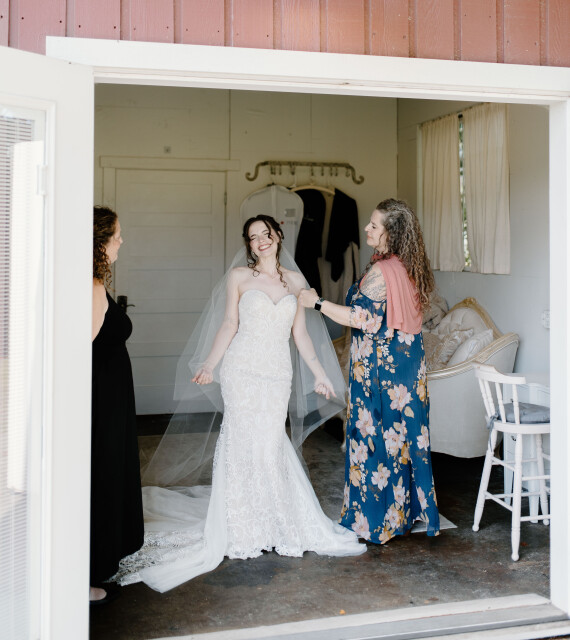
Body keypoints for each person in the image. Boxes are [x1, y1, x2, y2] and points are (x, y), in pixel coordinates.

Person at [112, 215, 365, 593]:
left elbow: (300, 335)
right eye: (253, 237)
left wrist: (319, 373)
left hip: (276, 374)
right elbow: (229, 324)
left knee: (269, 443)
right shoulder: (238, 277)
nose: (261, 241)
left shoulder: (297, 282)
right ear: (248, 244)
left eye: (266, 234)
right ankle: (242, 524)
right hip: (241, 371)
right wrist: (210, 364)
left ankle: (273, 519)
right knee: (242, 442)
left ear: (278, 235)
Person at [298, 199, 440, 543]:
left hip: (381, 371)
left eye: (374, 225)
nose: (367, 229)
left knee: (375, 439)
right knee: (399, 440)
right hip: (406, 368)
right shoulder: (407, 265)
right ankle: (399, 516)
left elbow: (361, 318)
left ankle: (376, 522)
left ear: (391, 233)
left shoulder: (382, 272)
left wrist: (316, 302)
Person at [90, 206, 144, 604]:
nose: (121, 240)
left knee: (108, 473)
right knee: (102, 475)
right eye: (117, 235)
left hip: (109, 397)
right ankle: (85, 575)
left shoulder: (92, 281)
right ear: (100, 242)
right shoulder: (90, 285)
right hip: (101, 401)